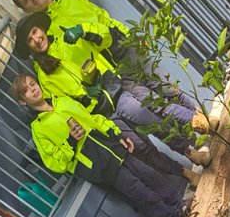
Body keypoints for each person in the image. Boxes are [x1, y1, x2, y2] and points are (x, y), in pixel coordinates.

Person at [14, 12, 211, 164]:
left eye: (35, 32)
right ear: (29, 48)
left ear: (40, 28)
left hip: (115, 83)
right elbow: (64, 103)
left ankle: (199, 131)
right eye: (29, 41)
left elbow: (106, 37)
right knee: (144, 137)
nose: (36, 39)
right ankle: (190, 151)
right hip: (103, 109)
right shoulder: (43, 76)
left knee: (155, 106)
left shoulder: (66, 36)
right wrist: (86, 96)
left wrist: (83, 30)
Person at [11, 73, 189, 217]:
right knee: (137, 189)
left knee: (149, 173)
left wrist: (117, 134)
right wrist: (71, 142)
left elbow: (94, 119)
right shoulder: (39, 128)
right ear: (22, 101)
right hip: (97, 165)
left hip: (111, 146)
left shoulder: (62, 101)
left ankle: (178, 204)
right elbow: (55, 163)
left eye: (32, 84)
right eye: (26, 91)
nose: (33, 89)